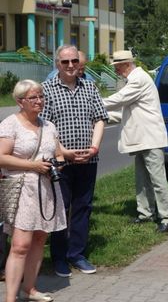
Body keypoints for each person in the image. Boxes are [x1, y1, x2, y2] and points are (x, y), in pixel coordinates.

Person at [41, 44, 108, 277]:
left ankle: (76, 254)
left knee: (83, 207)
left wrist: (95, 146)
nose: (70, 66)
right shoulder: (47, 89)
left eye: (74, 61)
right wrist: (63, 152)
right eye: (65, 62)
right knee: (61, 208)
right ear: (57, 63)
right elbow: (44, 128)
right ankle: (59, 258)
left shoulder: (89, 87)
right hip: (61, 161)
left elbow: (100, 118)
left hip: (89, 159)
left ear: (79, 63)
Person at [0, 79, 67, 302]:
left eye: (41, 96)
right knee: (20, 245)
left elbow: (57, 154)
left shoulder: (48, 125)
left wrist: (57, 164)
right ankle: (10, 297)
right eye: (33, 98)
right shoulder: (11, 124)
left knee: (39, 239)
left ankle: (29, 289)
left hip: (46, 189)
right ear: (20, 101)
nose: (39, 101)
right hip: (22, 189)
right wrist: (33, 166)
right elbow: (2, 157)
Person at [102, 50, 168, 233]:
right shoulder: (136, 79)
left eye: (118, 67)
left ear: (127, 64)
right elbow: (124, 112)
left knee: (157, 179)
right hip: (144, 138)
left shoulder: (138, 79)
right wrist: (100, 115)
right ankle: (146, 213)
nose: (117, 71)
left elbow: (118, 100)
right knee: (143, 179)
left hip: (150, 138)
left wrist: (90, 102)